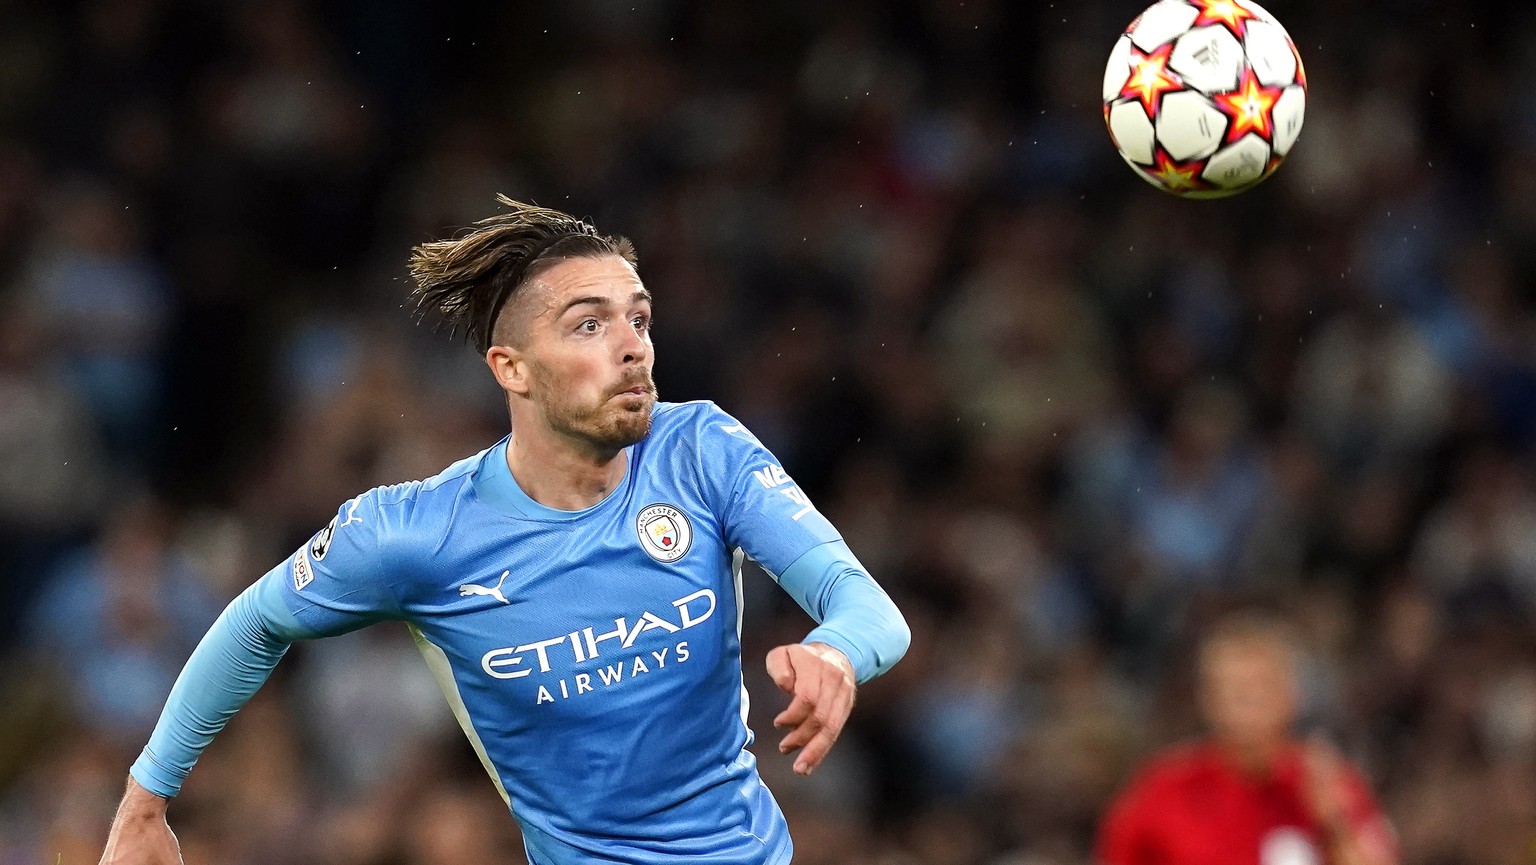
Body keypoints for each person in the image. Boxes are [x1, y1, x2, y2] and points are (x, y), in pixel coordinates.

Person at [97, 196, 911, 865]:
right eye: (590, 325)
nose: (633, 348)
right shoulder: (416, 532)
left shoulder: (700, 449)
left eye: (640, 318)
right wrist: (147, 797)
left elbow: (868, 606)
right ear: (510, 368)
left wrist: (835, 651)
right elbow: (257, 620)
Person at [1096, 613, 1397, 865]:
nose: (1247, 703)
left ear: (1292, 696)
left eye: (1260, 687)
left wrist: (1334, 826)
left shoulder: (1328, 783)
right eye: (1234, 691)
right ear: (1208, 700)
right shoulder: (1163, 789)